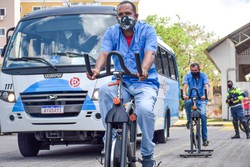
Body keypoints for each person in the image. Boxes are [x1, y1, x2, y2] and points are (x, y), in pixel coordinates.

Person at [86, 1, 159, 166]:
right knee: (104, 91)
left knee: (145, 110)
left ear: (136, 16)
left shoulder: (147, 30)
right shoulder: (111, 32)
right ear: (116, 17)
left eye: (128, 14)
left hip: (144, 82)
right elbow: (104, 53)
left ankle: (148, 155)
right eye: (121, 15)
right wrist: (96, 70)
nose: (124, 17)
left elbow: (150, 52)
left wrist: (144, 69)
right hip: (122, 82)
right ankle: (110, 139)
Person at [182, 63, 210, 146]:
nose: (193, 72)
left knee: (203, 115)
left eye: (195, 70)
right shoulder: (188, 75)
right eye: (192, 70)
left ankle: (204, 139)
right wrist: (184, 94)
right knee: (186, 103)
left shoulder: (203, 75)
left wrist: (205, 95)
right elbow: (185, 86)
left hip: (201, 99)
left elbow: (206, 86)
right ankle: (189, 121)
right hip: (191, 97)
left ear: (199, 70)